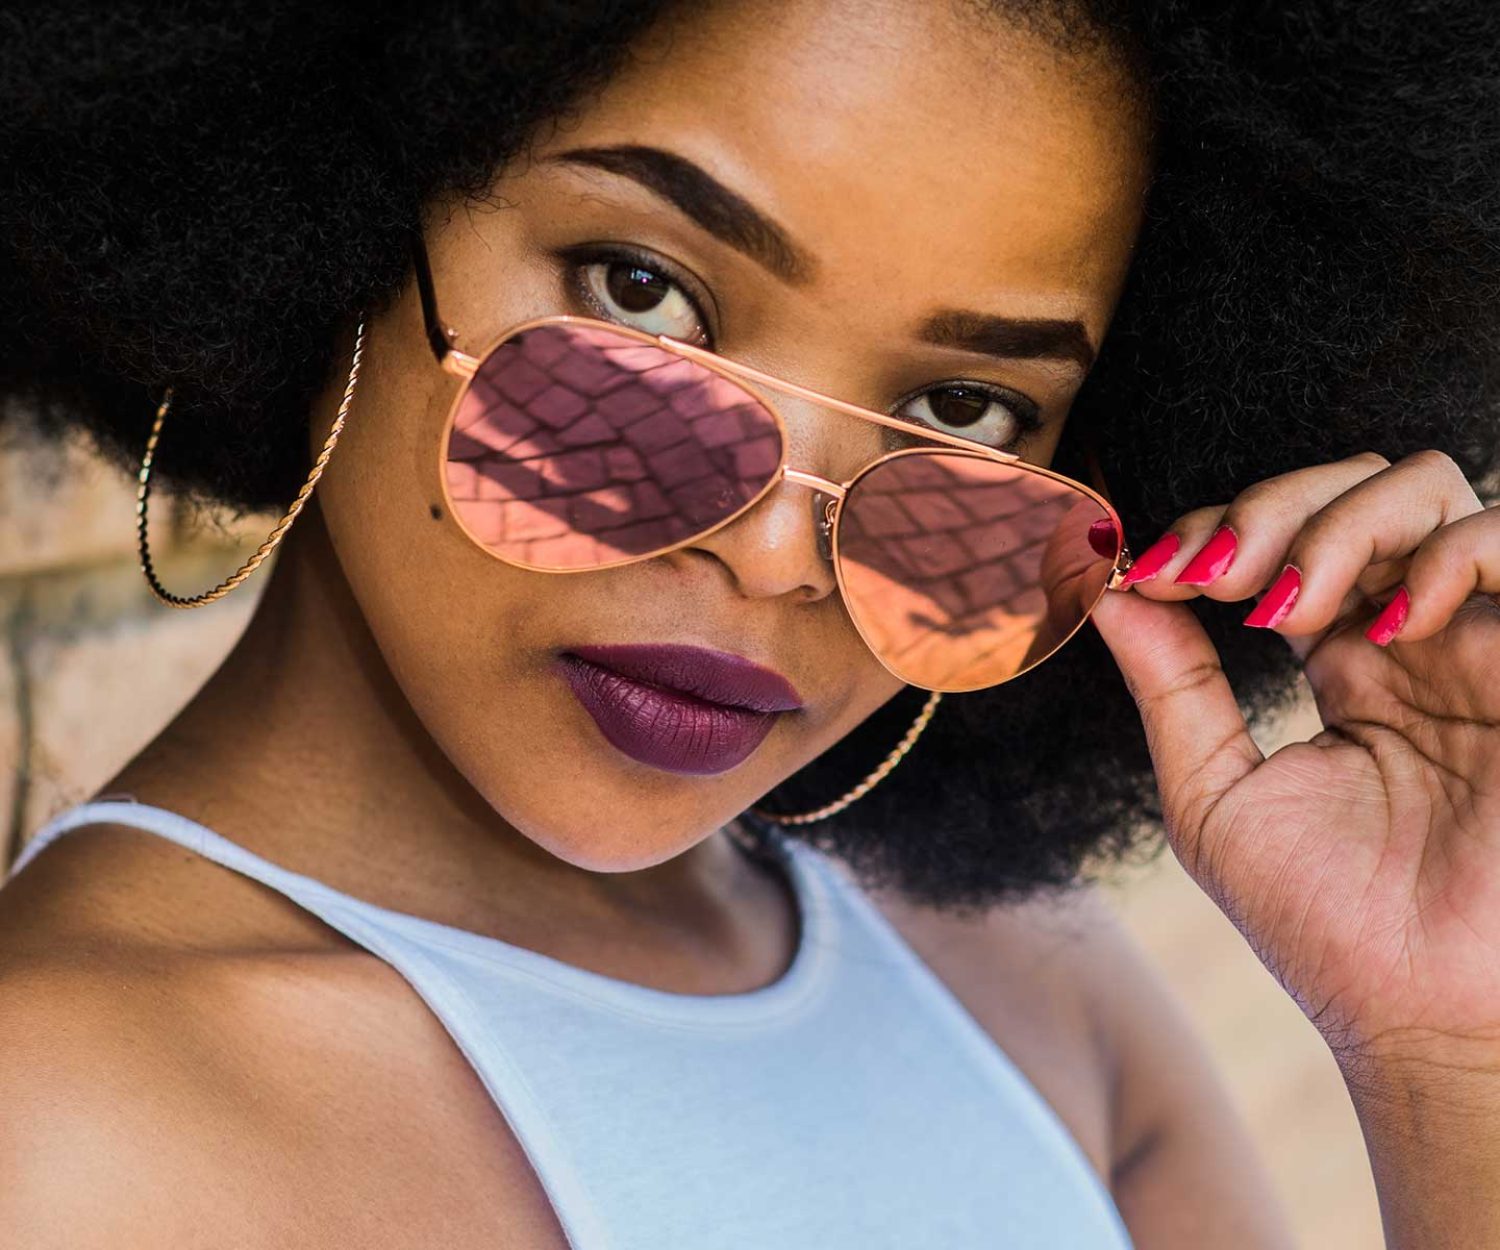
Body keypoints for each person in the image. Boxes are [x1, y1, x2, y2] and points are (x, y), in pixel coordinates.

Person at [1, 1, 1497, 1245]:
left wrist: (1449, 1058)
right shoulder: (62, 1131)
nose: (784, 552)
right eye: (643, 292)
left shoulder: (1018, 986)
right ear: (329, 213)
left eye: (963, 408)